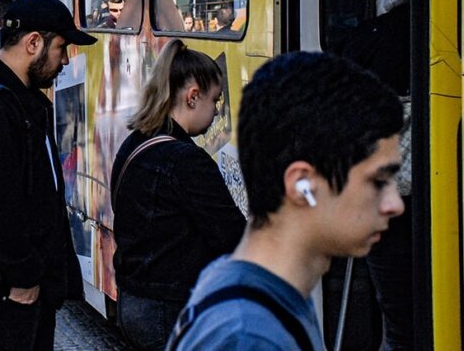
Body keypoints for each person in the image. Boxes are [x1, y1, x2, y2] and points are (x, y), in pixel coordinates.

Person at [169, 51, 405, 350]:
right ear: (301, 184)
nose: (394, 204)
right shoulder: (249, 337)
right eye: (377, 181)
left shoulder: (258, 296)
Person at [0, 0, 95, 349]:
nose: (64, 61)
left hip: (16, 290)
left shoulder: (15, 99)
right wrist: (23, 276)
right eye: (61, 48)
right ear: (34, 42)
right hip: (4, 295)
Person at [110, 39, 245, 349]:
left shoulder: (134, 144)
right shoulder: (187, 161)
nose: (216, 111)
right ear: (193, 96)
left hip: (133, 300)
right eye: (216, 100)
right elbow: (231, 235)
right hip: (170, 308)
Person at [341, 0, 413, 350]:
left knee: (397, 316)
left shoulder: (365, 38)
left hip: (380, 199)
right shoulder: (446, 32)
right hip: (436, 194)